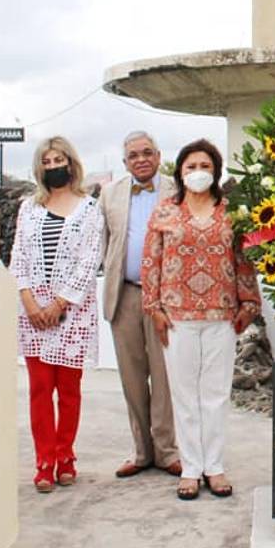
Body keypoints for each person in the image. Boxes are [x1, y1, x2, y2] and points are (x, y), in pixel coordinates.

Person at [142, 139, 261, 500]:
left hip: (221, 315)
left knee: (215, 393)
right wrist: (155, 309)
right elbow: (151, 263)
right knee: (184, 395)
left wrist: (248, 303)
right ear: (179, 171)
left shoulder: (230, 213)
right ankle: (191, 468)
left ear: (216, 172)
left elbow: (243, 260)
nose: (197, 173)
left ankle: (215, 466)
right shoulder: (165, 212)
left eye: (205, 166)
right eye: (191, 166)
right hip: (177, 316)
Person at [9, 136, 104, 493]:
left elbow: (88, 260)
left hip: (71, 313)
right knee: (39, 390)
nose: (53, 166)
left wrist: (59, 303)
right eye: (47, 161)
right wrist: (31, 303)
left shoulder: (88, 207)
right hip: (33, 314)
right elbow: (18, 256)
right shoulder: (29, 208)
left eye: (59, 159)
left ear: (71, 162)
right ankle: (44, 461)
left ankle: (65, 455)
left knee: (68, 391)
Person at [99, 131, 181, 479]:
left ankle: (167, 451)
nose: (141, 159)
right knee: (133, 378)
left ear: (159, 156)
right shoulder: (108, 194)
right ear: (125, 162)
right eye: (133, 155)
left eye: (147, 153)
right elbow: (105, 244)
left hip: (165, 297)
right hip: (126, 294)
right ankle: (141, 451)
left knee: (163, 378)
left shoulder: (177, 191)